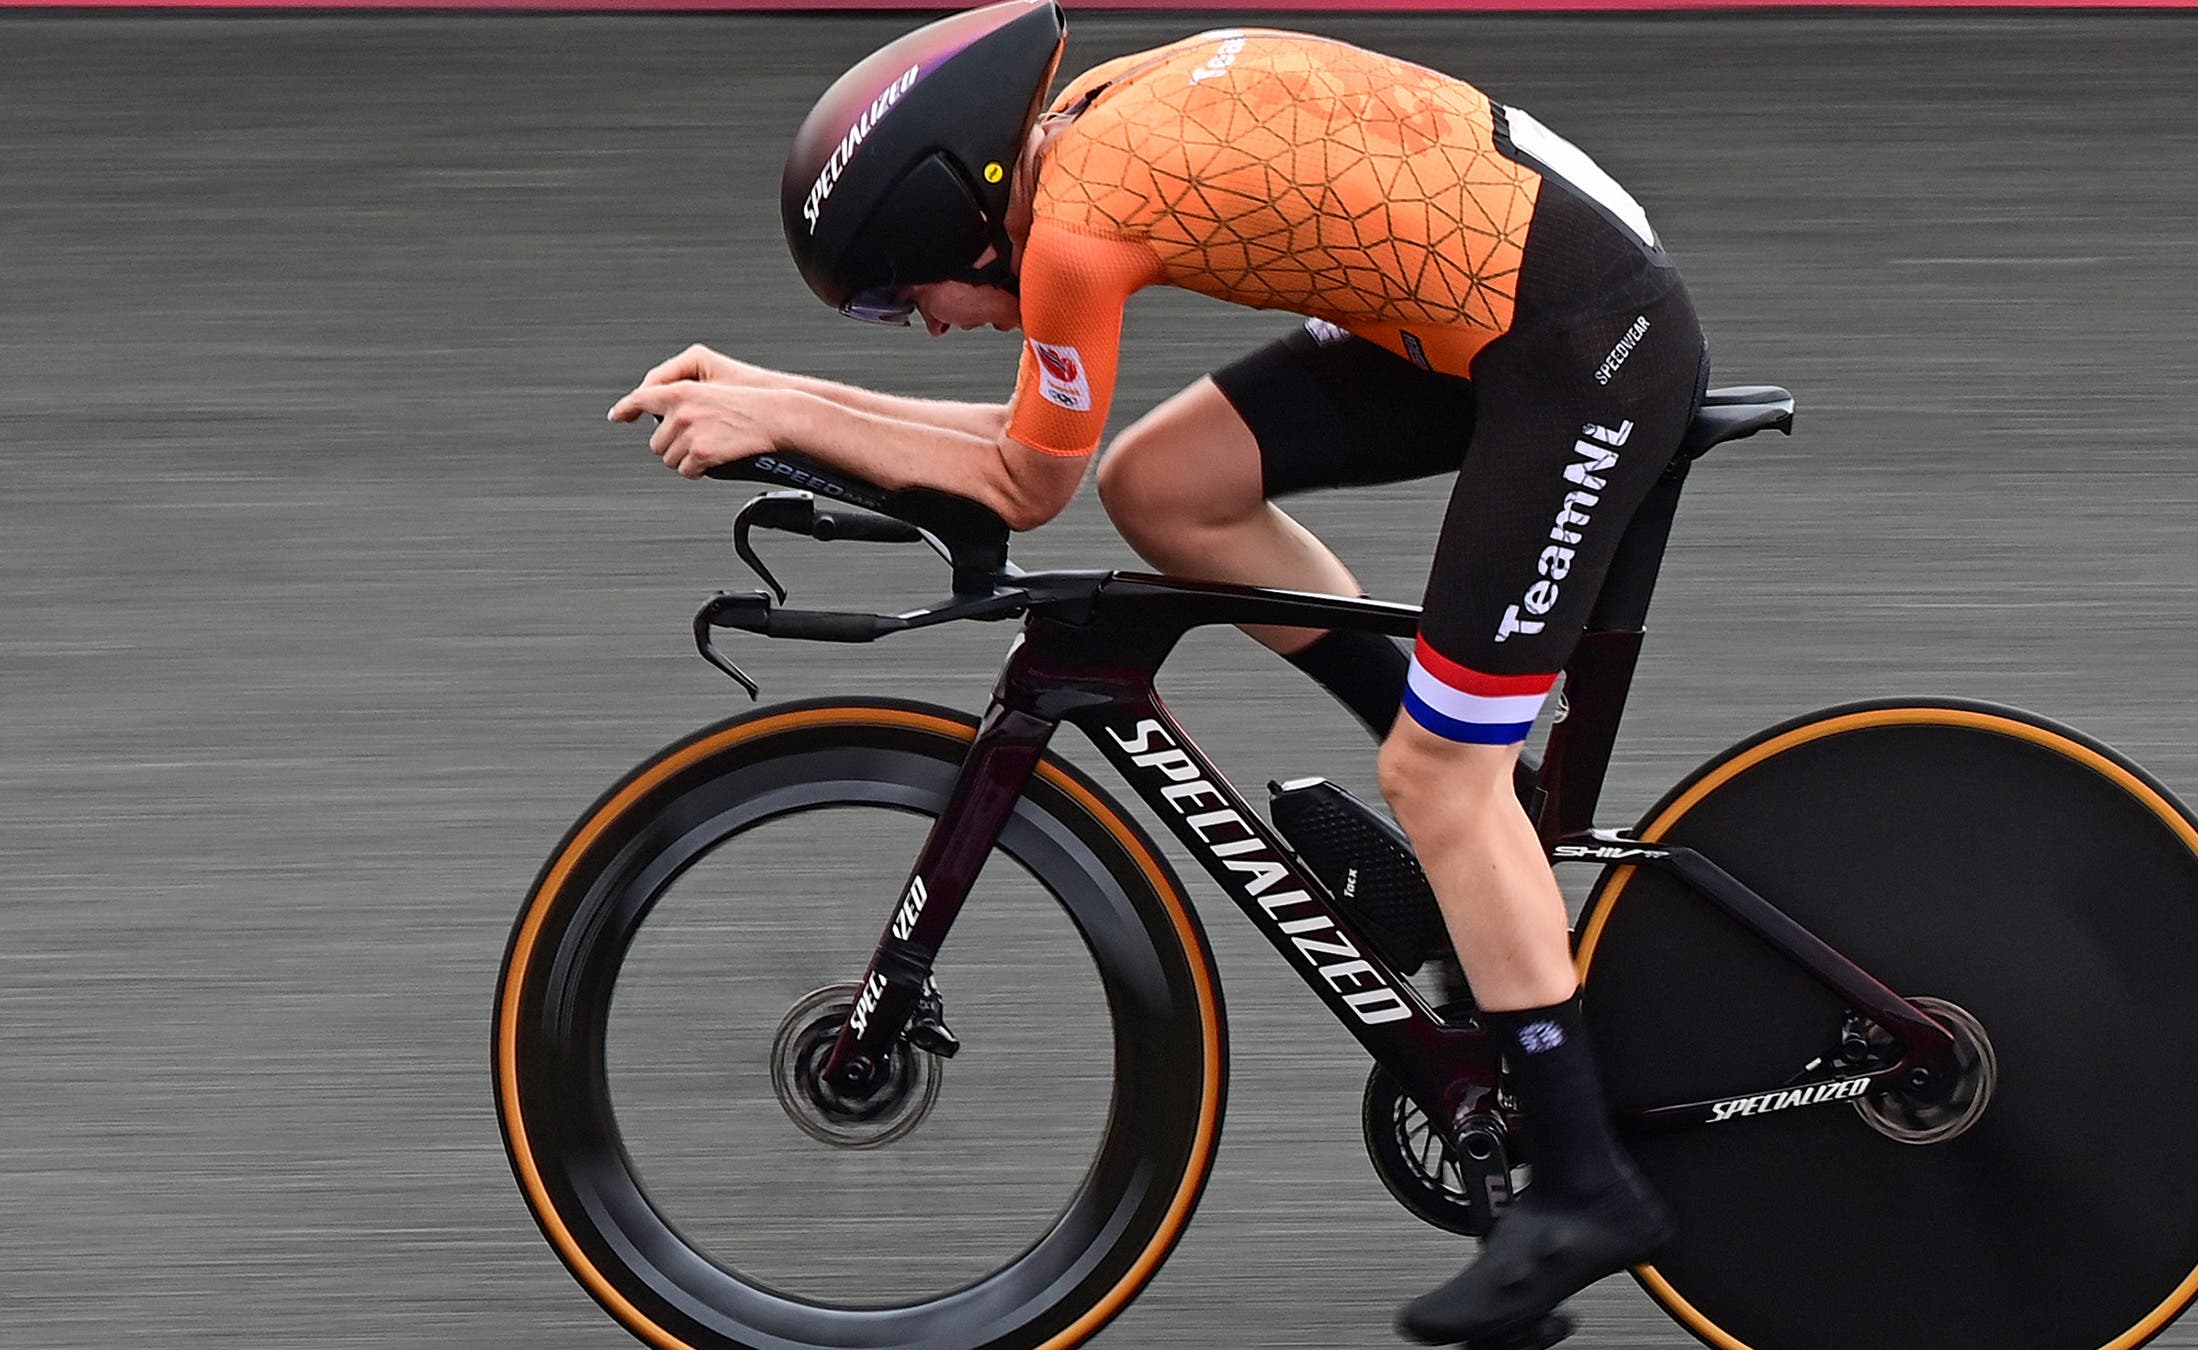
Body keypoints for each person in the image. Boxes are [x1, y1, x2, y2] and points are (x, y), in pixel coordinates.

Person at [608, 2, 1704, 1342]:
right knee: (1169, 484)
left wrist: (784, 407)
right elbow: (1052, 455)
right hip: (1504, 298)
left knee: (1434, 770)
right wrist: (787, 398)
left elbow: (1022, 481)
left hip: (1581, 345)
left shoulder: (1071, 232)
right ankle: (1491, 827)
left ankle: (1587, 1185)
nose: (926, 327)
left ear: (953, 217)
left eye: (899, 296)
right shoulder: (1082, 136)